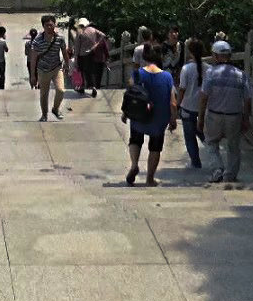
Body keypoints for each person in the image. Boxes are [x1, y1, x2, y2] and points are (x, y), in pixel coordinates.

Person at [121, 43, 177, 185]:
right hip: (159, 118)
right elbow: (173, 103)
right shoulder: (167, 77)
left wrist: (125, 113)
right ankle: (150, 179)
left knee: (135, 140)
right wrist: (173, 119)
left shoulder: (137, 73)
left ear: (145, 57)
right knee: (155, 147)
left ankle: (134, 165)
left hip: (139, 114)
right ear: (160, 58)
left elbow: (129, 95)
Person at [198, 39, 253, 182]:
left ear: (216, 56)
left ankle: (217, 169)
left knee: (211, 143)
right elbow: (247, 99)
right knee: (233, 147)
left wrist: (200, 118)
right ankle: (230, 175)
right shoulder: (241, 74)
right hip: (234, 116)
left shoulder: (210, 73)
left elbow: (204, 97)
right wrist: (246, 119)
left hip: (214, 115)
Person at [27, 14, 70, 121]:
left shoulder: (60, 38)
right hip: (42, 70)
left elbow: (64, 53)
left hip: (56, 68)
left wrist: (67, 65)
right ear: (43, 26)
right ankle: (44, 115)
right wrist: (33, 76)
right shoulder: (37, 40)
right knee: (43, 94)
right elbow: (33, 59)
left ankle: (55, 109)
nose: (49, 27)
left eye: (51, 25)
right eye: (47, 25)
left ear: (54, 25)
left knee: (61, 90)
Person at [174, 37, 206, 169]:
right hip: (203, 108)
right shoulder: (208, 68)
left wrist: (176, 106)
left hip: (187, 107)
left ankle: (196, 162)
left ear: (190, 51)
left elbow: (182, 90)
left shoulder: (186, 69)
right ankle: (214, 154)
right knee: (204, 134)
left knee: (189, 136)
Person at [73, 17, 109, 97]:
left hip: (82, 55)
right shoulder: (93, 30)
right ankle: (93, 87)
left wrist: (76, 58)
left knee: (81, 70)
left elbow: (77, 46)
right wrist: (96, 44)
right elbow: (103, 35)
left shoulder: (80, 32)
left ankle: (81, 87)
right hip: (92, 54)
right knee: (90, 71)